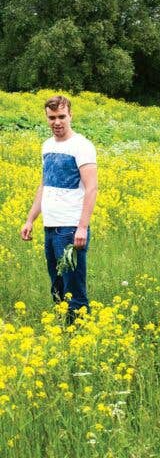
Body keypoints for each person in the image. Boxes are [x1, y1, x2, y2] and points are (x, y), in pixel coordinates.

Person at [19, 95, 98, 320]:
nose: (57, 122)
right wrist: (30, 219)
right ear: (47, 118)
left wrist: (82, 227)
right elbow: (45, 185)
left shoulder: (82, 146)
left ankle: (80, 334)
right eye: (52, 117)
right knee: (57, 284)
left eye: (62, 116)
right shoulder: (47, 146)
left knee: (74, 286)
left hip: (70, 228)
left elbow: (92, 188)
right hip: (50, 227)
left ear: (70, 116)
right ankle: (65, 330)